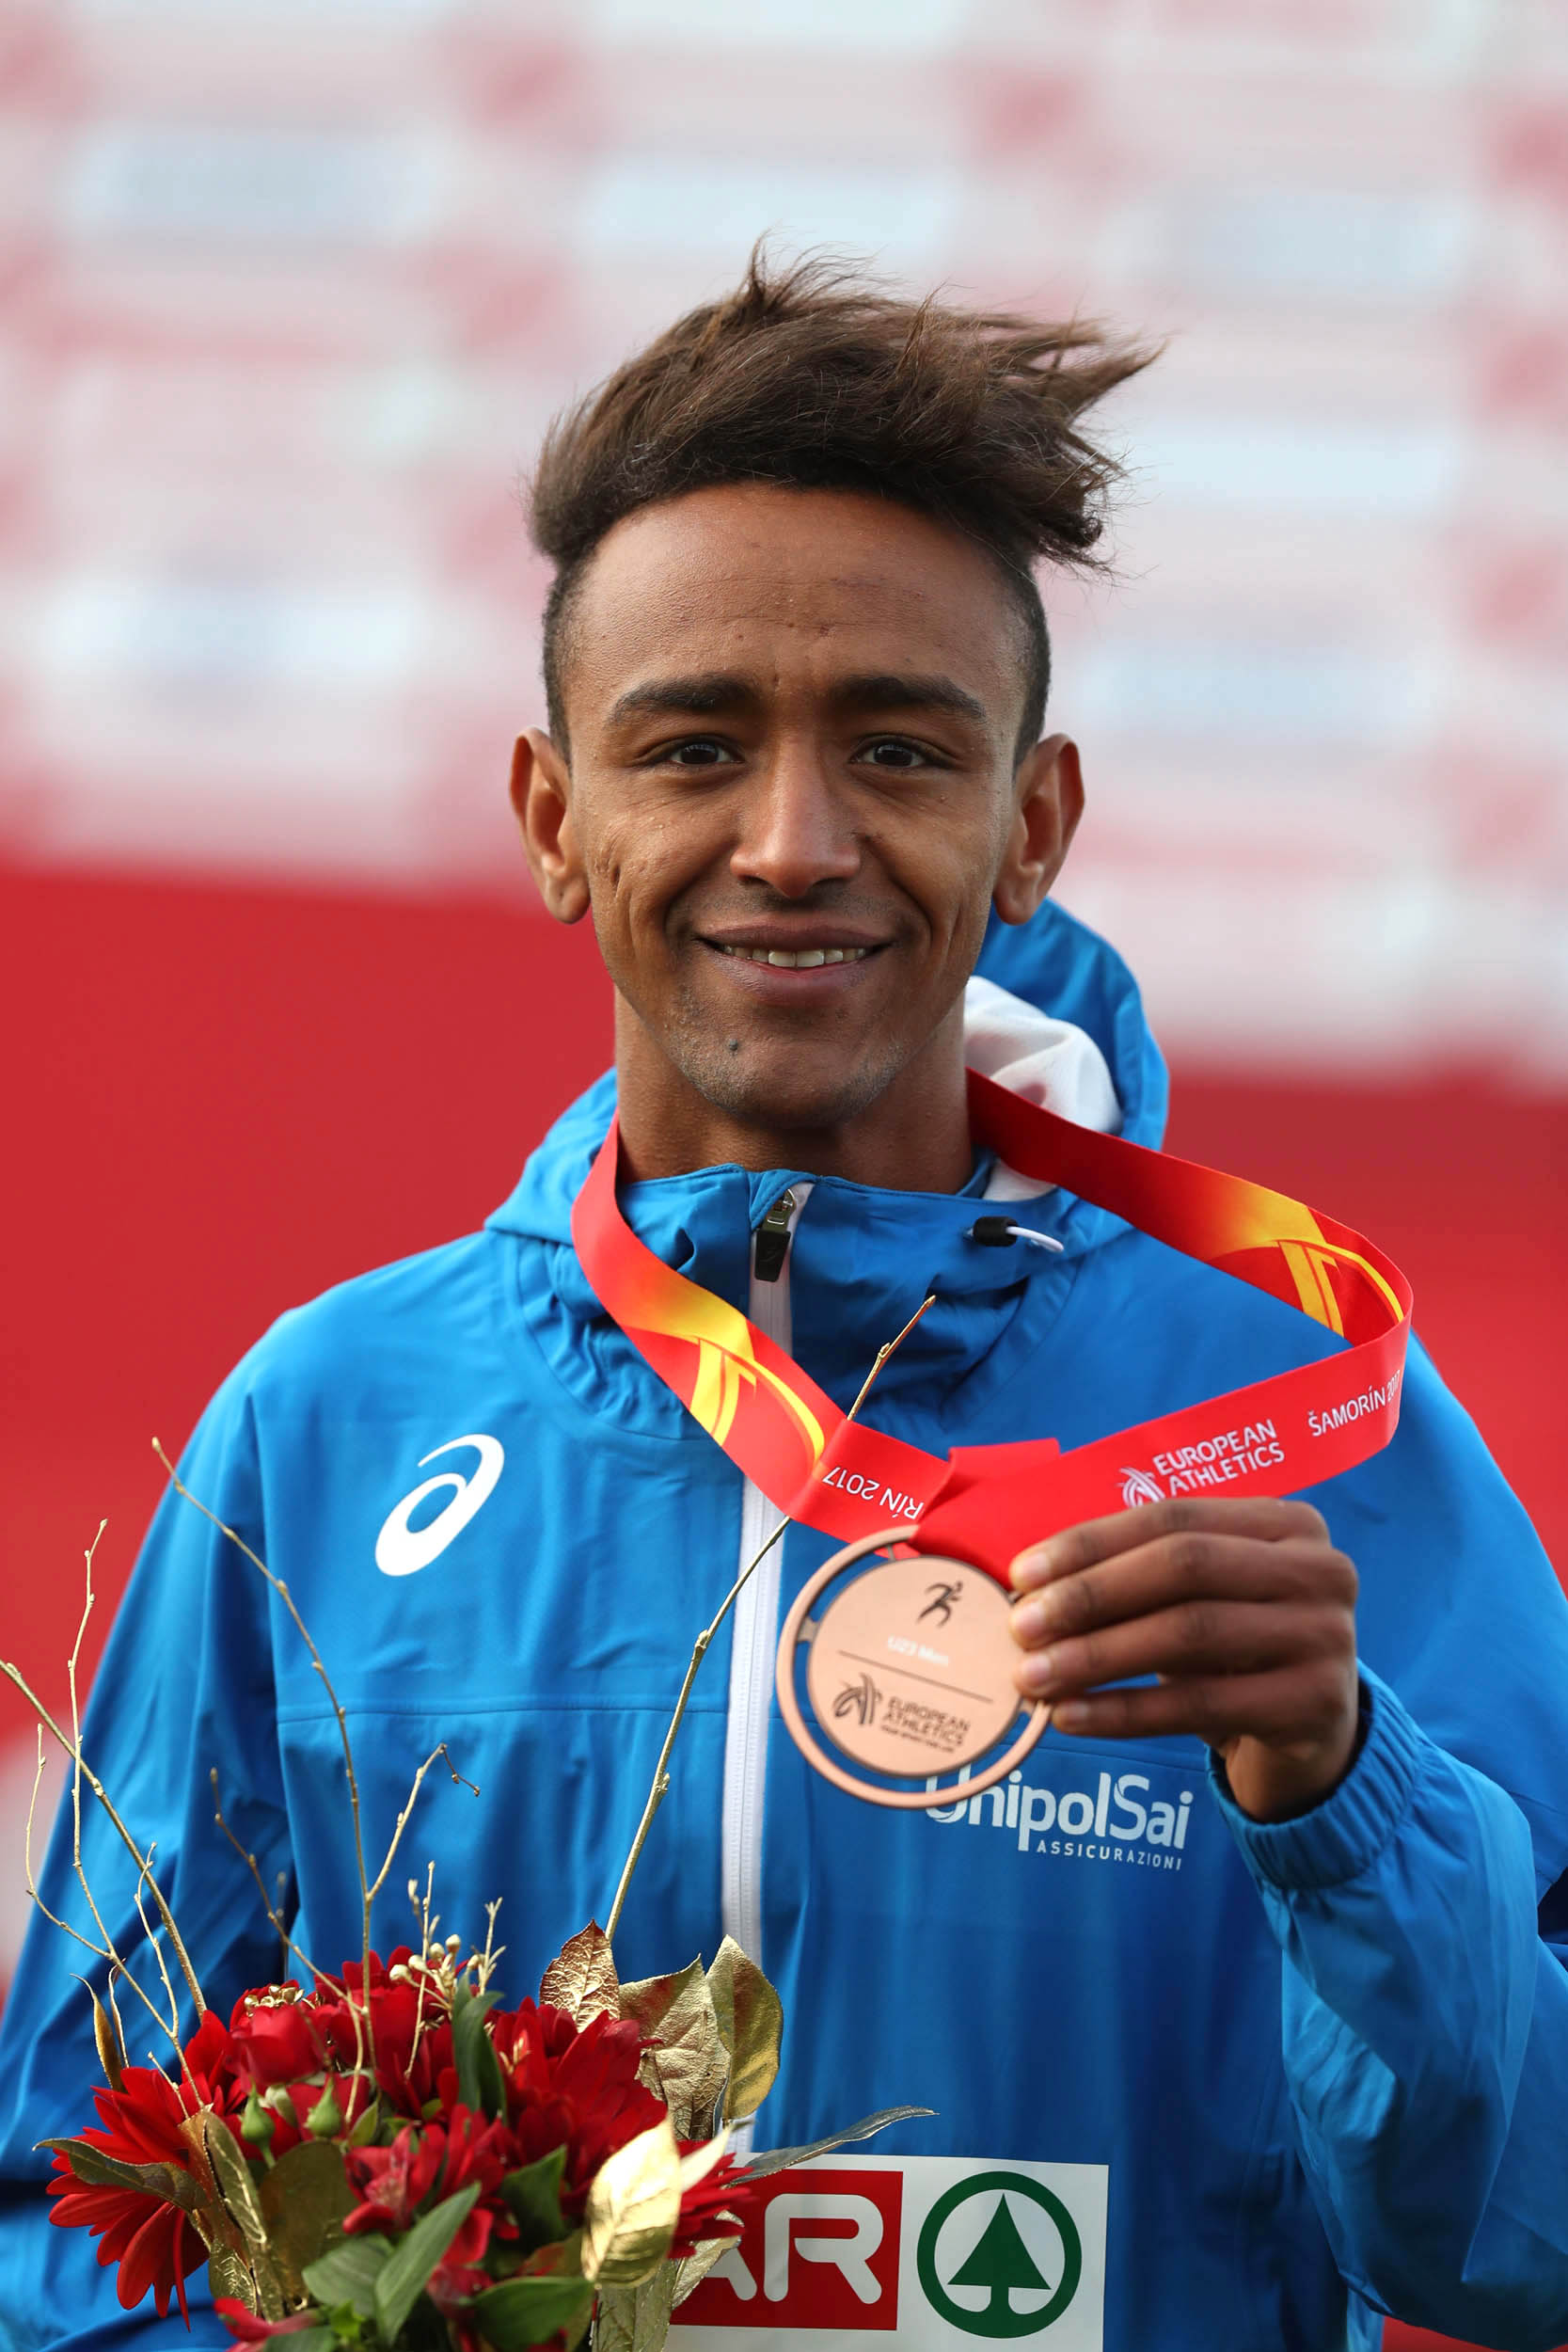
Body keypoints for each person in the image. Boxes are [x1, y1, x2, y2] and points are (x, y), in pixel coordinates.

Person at [3, 251, 1567, 2352]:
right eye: (694, 747)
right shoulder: (331, 1424)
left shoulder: (1298, 1412)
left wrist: (1343, 1785)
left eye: (899, 750)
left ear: (1032, 824)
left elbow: (1527, 2234)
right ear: (557, 818)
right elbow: (75, 2213)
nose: (796, 840)